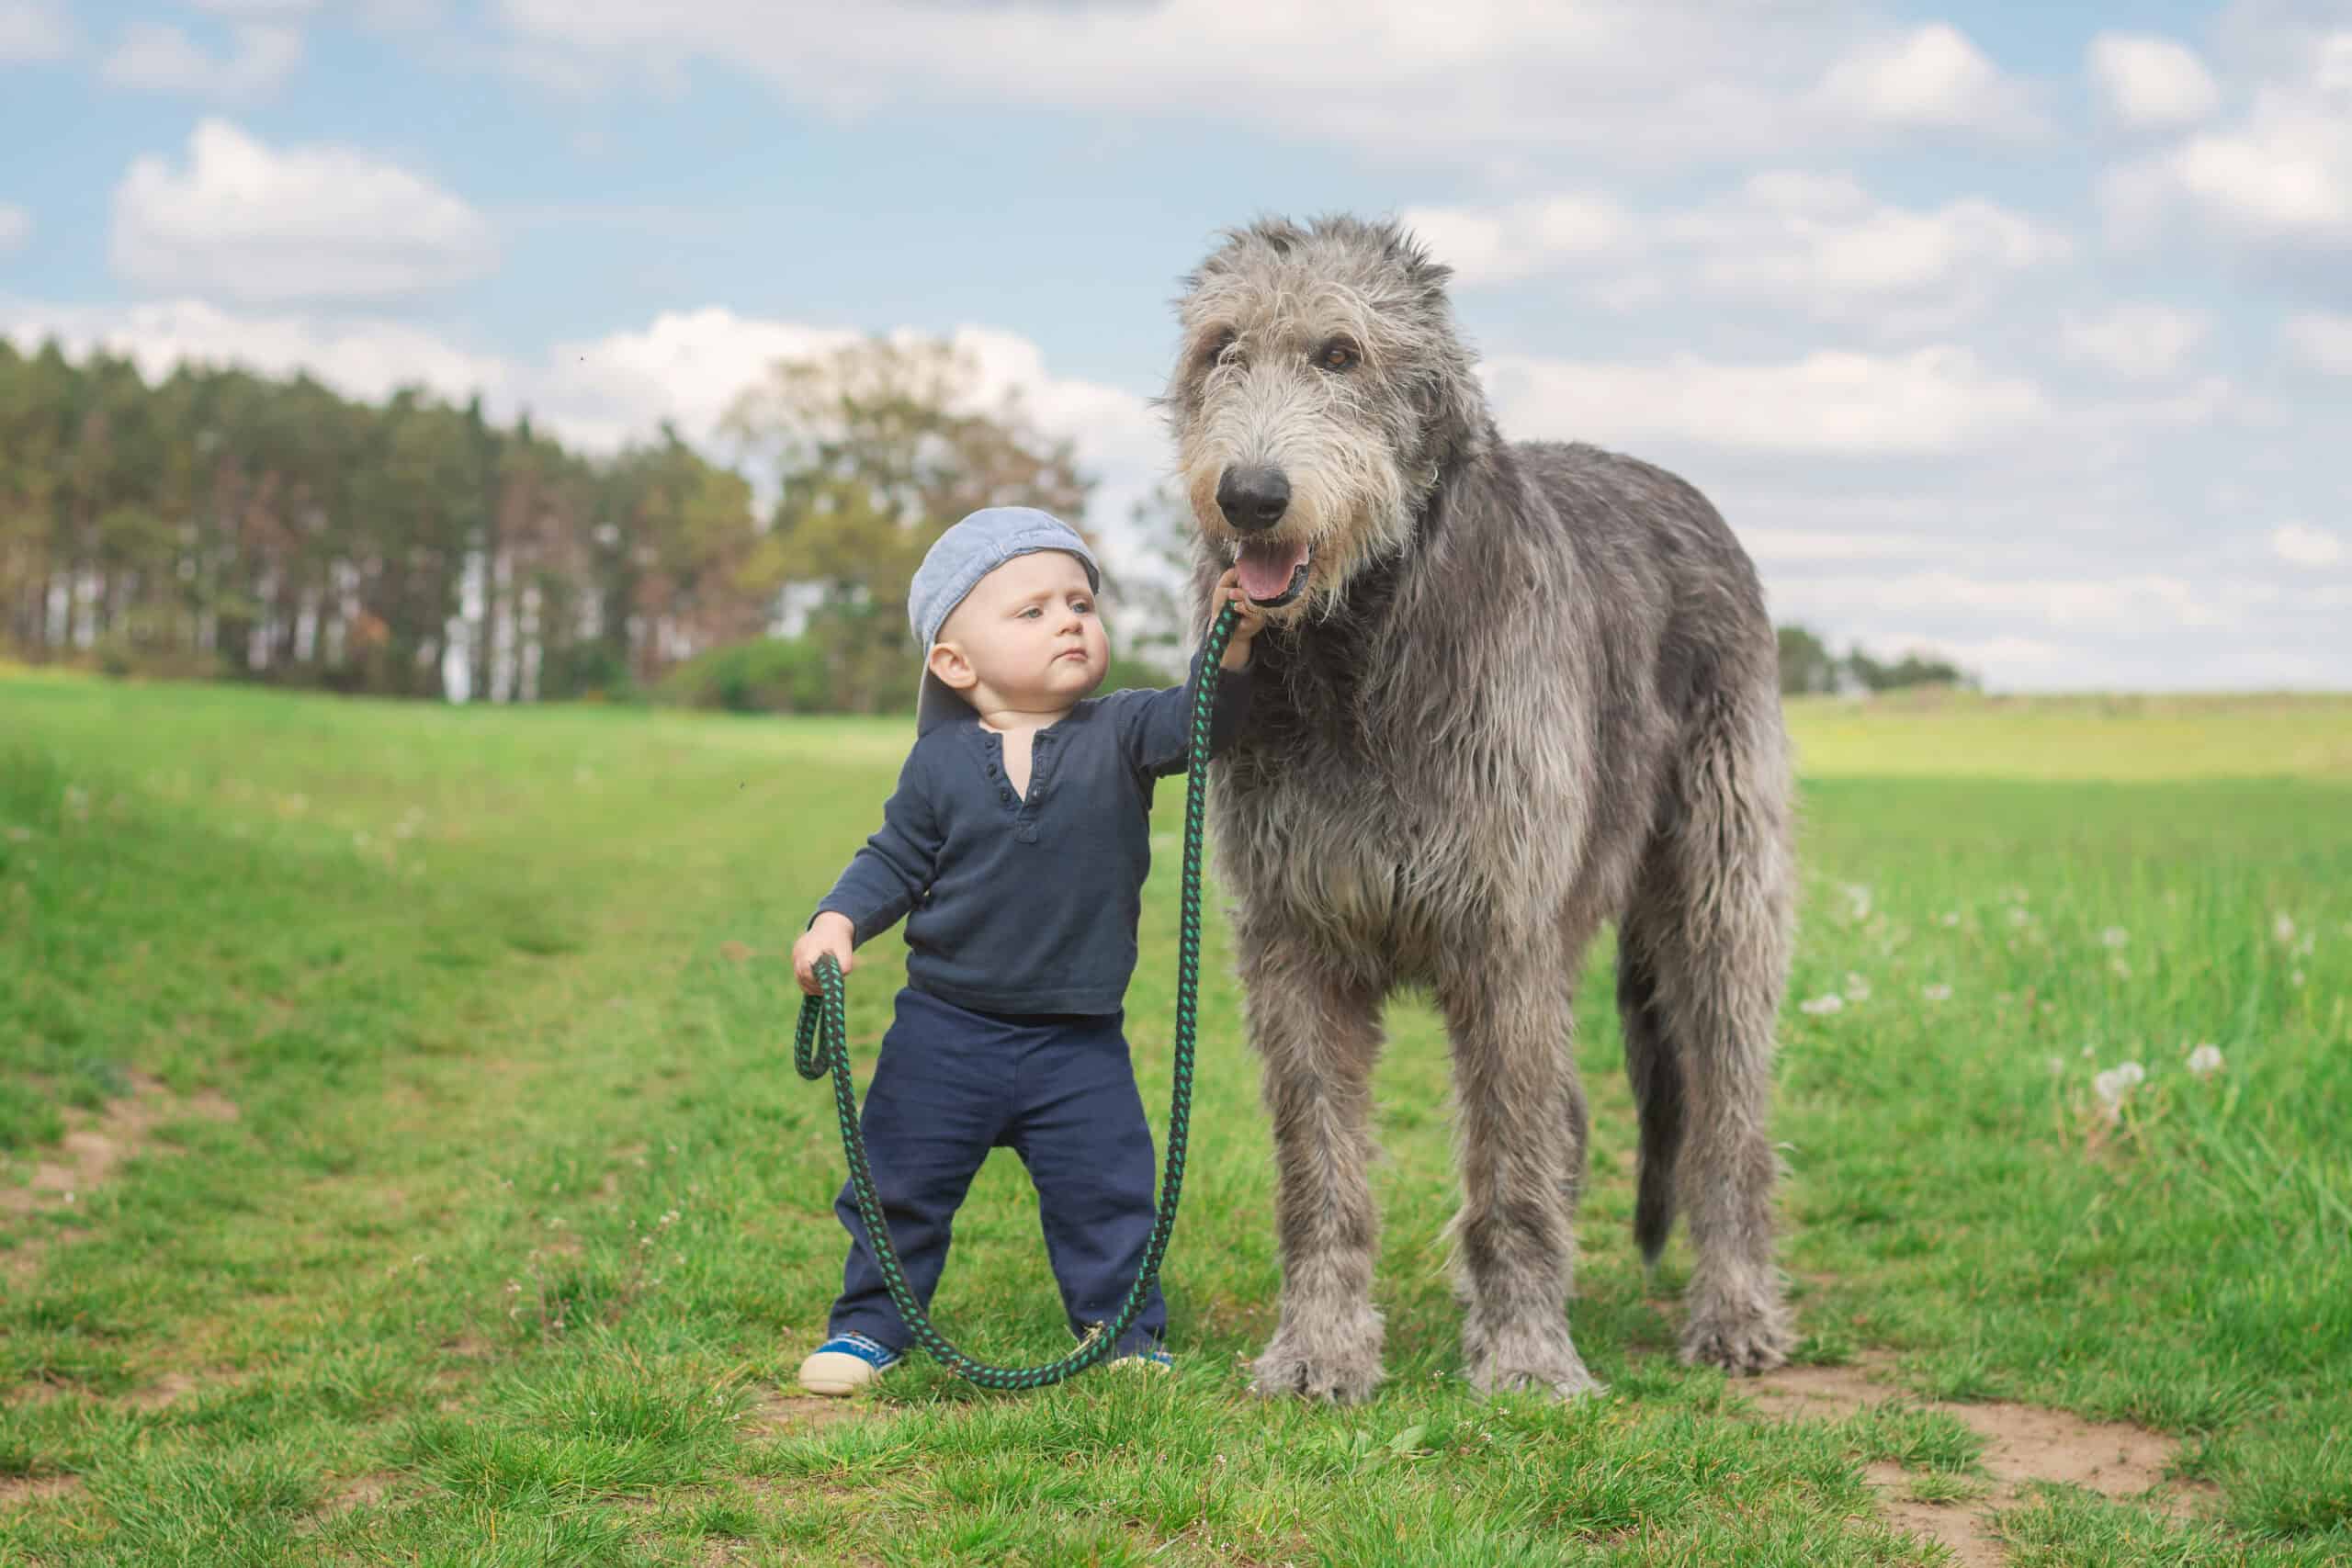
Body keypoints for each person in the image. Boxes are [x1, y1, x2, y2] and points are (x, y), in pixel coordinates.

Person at [790, 505, 1266, 1395]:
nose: (1069, 622)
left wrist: (1230, 644)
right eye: (1033, 610)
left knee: (1108, 1193)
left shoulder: (1122, 733)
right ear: (955, 662)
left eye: (1080, 602)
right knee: (898, 1182)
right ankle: (870, 1325)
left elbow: (1203, 721)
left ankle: (1121, 1330)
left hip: (1076, 1040)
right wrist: (836, 922)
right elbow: (892, 859)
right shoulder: (937, 765)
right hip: (943, 1032)